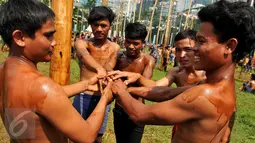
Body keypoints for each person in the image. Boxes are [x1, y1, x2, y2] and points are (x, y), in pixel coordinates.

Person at [109, 0, 255, 142]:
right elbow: (165, 93)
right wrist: (128, 89)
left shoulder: (205, 95)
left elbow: (139, 114)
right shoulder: (219, 87)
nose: (195, 48)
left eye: (201, 41)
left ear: (229, 46)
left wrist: (120, 90)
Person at [0, 0, 114, 142]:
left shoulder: (4, 71)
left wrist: (86, 85)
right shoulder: (41, 86)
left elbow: (39, 100)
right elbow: (87, 136)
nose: (54, 42)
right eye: (48, 36)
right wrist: (105, 99)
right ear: (20, 38)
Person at [72, 6, 120, 143]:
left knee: (98, 135)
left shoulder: (115, 48)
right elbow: (85, 55)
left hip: (103, 97)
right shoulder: (82, 43)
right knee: (78, 134)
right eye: (95, 25)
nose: (99, 29)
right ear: (91, 26)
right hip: (84, 94)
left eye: (103, 25)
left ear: (110, 26)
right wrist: (100, 69)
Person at [113, 23, 155, 143]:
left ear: (143, 44)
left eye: (136, 43)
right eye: (128, 42)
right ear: (124, 41)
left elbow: (145, 85)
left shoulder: (147, 60)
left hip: (138, 109)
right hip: (120, 108)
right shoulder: (119, 57)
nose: (131, 46)